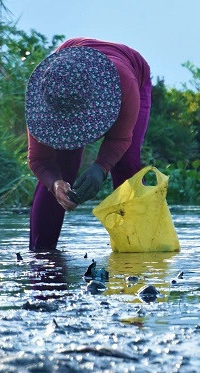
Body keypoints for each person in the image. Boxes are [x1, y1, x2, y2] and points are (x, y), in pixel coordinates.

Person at [25, 38, 152, 251]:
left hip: (131, 71)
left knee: (126, 163)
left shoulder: (124, 81)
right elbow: (39, 159)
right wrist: (55, 183)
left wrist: (100, 168)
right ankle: (41, 253)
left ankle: (136, 247)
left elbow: (120, 139)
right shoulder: (46, 92)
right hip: (71, 57)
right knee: (62, 167)